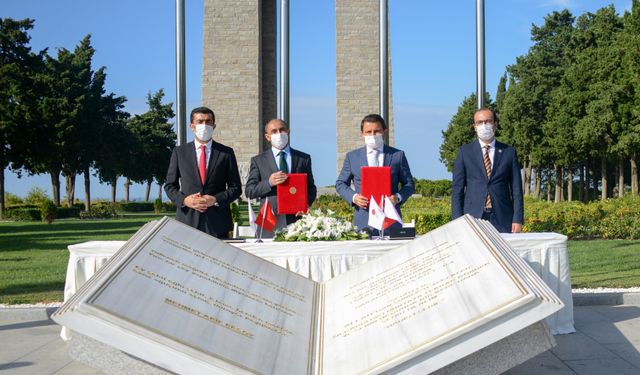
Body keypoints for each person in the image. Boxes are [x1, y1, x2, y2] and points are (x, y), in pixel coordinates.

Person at [164, 106, 242, 238]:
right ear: (192, 126)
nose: (204, 125)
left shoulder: (226, 153)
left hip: (218, 223)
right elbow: (170, 186)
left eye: (208, 122)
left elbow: (236, 188)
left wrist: (215, 199)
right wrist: (185, 200)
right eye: (200, 122)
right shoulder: (179, 152)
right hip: (187, 221)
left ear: (214, 125)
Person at [336, 114, 414, 231]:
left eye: (377, 131)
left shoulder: (398, 155)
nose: (373, 135)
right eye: (368, 132)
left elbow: (409, 184)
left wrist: (397, 197)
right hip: (363, 220)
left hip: (391, 220)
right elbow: (340, 183)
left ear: (384, 132)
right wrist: (354, 197)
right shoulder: (352, 157)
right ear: (362, 133)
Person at [451, 108, 524, 233]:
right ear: (474, 126)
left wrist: (517, 218)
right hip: (472, 217)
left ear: (495, 124)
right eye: (479, 122)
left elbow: (516, 189)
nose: (483, 125)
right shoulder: (465, 152)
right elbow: (457, 190)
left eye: (488, 121)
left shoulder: (509, 152)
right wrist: (457, 220)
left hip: (502, 217)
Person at [245, 118, 317, 236]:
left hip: (297, 220)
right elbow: (249, 191)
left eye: (282, 130)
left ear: (288, 132)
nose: (279, 134)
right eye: (274, 131)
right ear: (267, 137)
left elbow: (311, 188)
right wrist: (269, 183)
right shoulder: (258, 161)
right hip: (269, 220)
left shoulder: (303, 158)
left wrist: (305, 204)